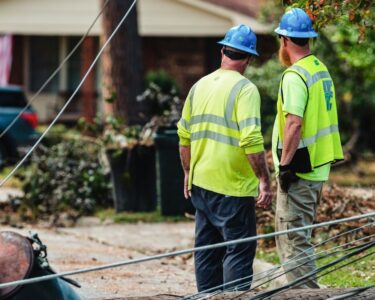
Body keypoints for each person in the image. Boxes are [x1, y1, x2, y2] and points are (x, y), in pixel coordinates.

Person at [177, 24, 273, 292]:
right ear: (249, 59)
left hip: (202, 183)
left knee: (207, 250)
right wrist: (264, 180)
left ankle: (206, 298)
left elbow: (184, 136)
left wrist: (188, 172)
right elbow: (251, 140)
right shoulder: (245, 89)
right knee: (238, 250)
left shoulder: (200, 86)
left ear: (223, 51)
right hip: (233, 186)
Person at [272, 8, 344, 288]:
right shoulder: (319, 69)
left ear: (285, 40)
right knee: (300, 236)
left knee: (292, 239)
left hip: (299, 170)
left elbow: (294, 124)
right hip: (317, 166)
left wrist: (285, 165)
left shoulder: (295, 76)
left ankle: (305, 294)